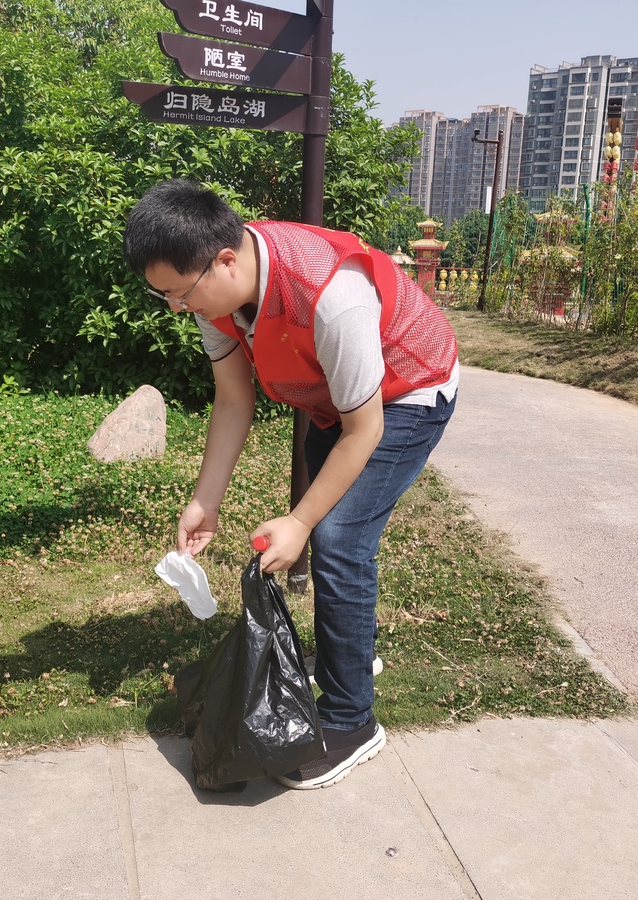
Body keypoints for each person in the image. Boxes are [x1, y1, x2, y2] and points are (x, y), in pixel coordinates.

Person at [123, 180, 459, 790]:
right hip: (339, 399)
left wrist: (301, 522)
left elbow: (365, 431)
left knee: (337, 535)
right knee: (330, 528)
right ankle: (352, 659)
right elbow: (233, 399)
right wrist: (206, 502)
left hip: (408, 392)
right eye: (163, 295)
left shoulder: (331, 295)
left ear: (224, 258)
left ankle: (354, 722)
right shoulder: (218, 295)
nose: (176, 307)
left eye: (179, 292)